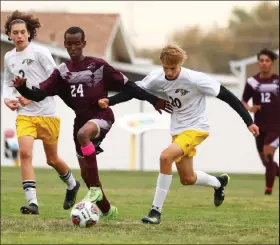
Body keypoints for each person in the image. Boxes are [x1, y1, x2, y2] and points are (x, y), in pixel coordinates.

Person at [11, 26, 172, 219]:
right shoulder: (61, 73)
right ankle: (107, 210)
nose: (73, 48)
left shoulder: (98, 66)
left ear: (83, 44)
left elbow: (130, 88)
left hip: (101, 117)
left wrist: (154, 100)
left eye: (77, 44)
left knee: (83, 135)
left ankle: (95, 189)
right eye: (69, 44)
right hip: (80, 121)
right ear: (65, 45)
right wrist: (23, 88)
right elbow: (38, 95)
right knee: (87, 175)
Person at [98, 43, 259, 224]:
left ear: (180, 64)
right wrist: (110, 101)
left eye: (173, 68)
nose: (169, 72)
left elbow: (228, 96)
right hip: (178, 131)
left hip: (197, 128)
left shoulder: (195, 79)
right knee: (187, 178)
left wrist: (249, 121)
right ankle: (218, 182)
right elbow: (134, 91)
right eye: (165, 68)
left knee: (165, 157)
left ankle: (155, 211)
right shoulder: (157, 77)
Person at [3, 11, 80, 215]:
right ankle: (33, 203)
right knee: (25, 153)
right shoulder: (9, 57)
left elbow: (57, 79)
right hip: (25, 115)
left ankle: (72, 184)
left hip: (47, 114)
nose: (19, 35)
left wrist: (35, 95)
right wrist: (6, 98)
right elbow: (7, 82)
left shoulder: (40, 53)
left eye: (22, 32)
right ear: (9, 35)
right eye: (15, 32)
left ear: (29, 34)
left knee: (52, 159)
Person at [241, 48, 279, 195]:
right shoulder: (252, 82)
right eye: (261, 60)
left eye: (267, 61)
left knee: (269, 155)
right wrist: (250, 108)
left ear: (272, 63)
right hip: (259, 126)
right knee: (266, 163)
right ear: (258, 63)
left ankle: (268, 190)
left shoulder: (277, 81)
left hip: (276, 127)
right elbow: (243, 100)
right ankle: (271, 176)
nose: (264, 63)